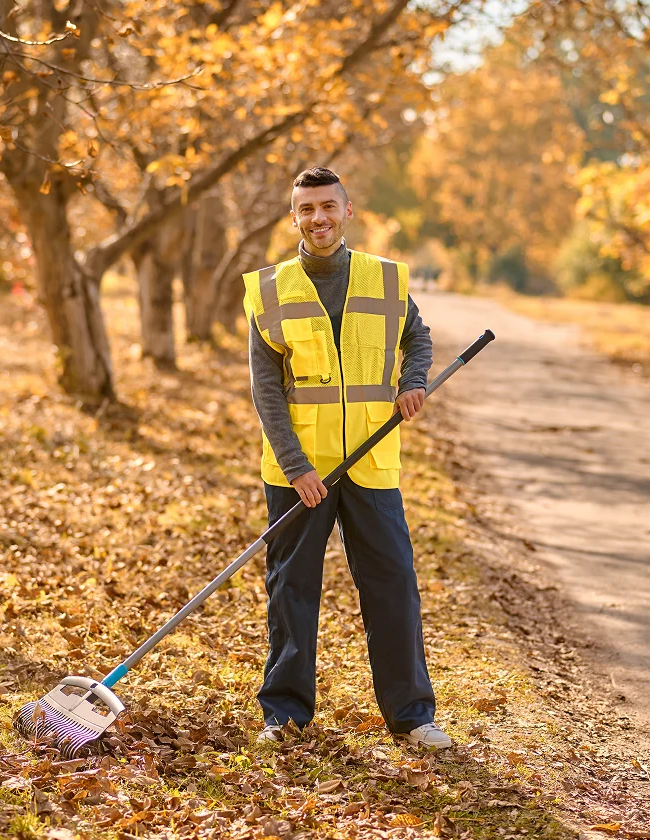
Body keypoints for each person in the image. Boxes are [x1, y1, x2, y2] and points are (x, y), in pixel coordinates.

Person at [242, 167, 450, 750]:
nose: (319, 218)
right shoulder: (270, 290)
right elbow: (266, 388)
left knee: (393, 584)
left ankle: (412, 715)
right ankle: (285, 714)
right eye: (307, 209)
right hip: (300, 471)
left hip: (370, 460)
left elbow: (418, 337)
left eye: (328, 206)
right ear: (294, 218)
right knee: (291, 588)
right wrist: (296, 466)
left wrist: (413, 381)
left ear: (348, 211)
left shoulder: (384, 279)